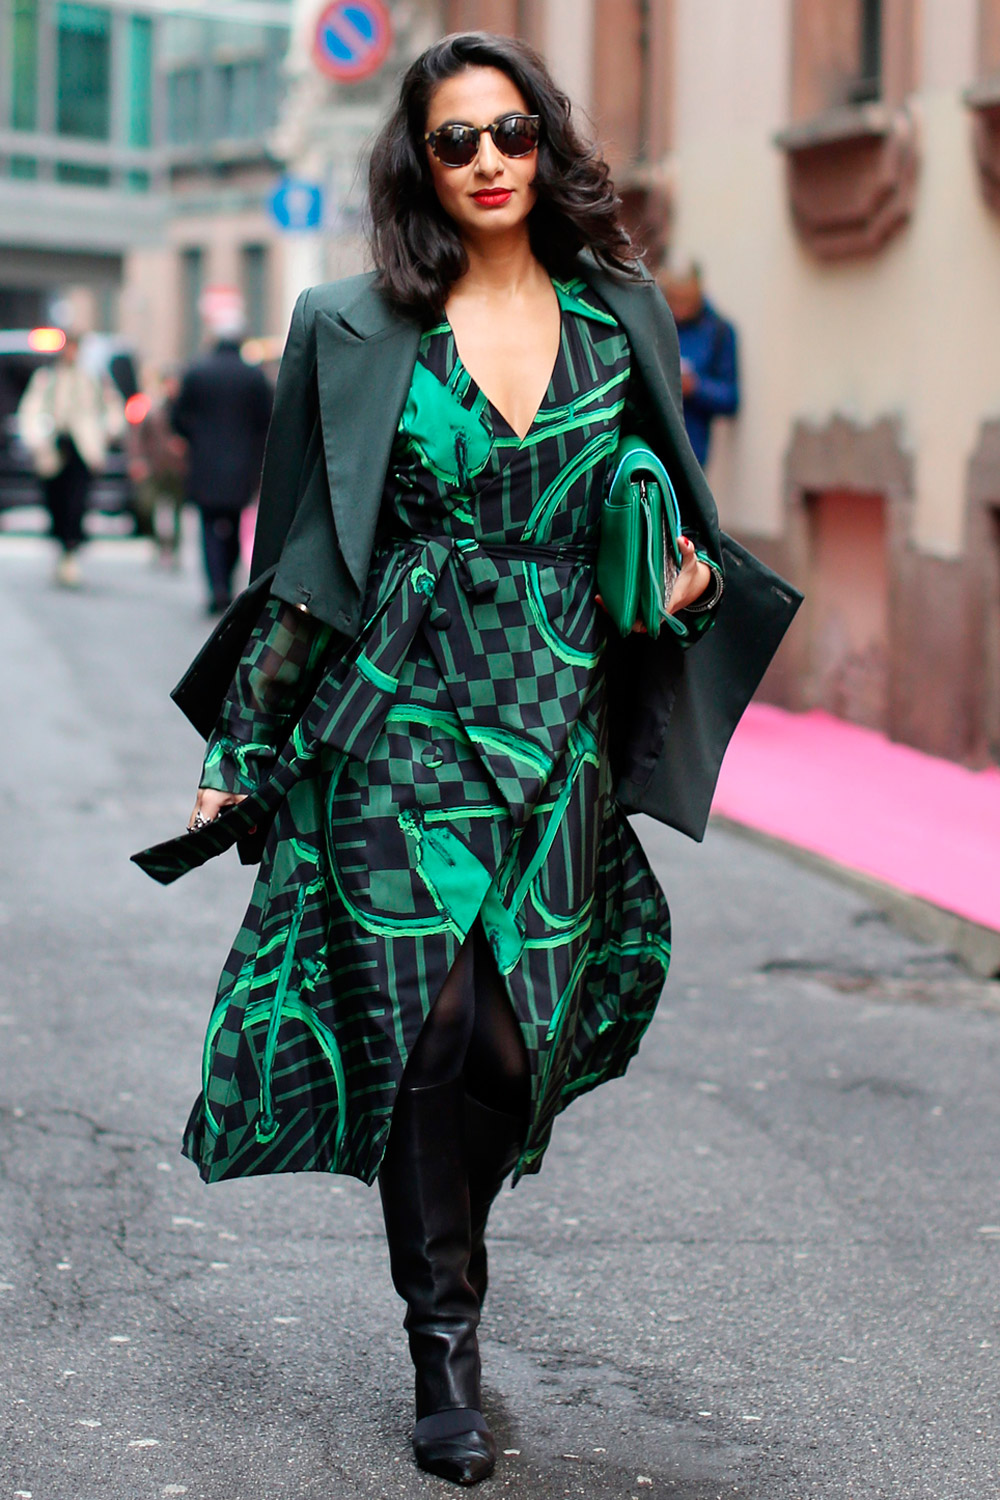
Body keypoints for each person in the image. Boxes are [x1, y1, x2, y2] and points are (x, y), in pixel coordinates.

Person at [134, 31, 797, 1488]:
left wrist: (680, 585)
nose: (488, 160)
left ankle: (451, 1239)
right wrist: (245, 739)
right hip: (398, 720)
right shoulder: (351, 323)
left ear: (542, 146)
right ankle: (445, 1346)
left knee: (511, 1039)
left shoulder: (621, 317)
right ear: (418, 164)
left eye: (510, 133)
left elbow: (679, 522)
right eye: (456, 140)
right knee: (427, 1036)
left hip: (555, 721)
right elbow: (301, 558)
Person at [171, 326, 272, 613]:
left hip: (204, 465)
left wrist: (194, 438)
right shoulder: (253, 377)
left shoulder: (197, 372)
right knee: (235, 525)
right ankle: (227, 582)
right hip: (242, 467)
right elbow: (267, 420)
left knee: (208, 529)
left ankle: (216, 587)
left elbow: (177, 416)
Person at [17, 332, 124, 587]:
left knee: (77, 502)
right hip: (54, 447)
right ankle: (63, 544)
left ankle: (71, 548)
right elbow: (32, 409)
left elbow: (111, 408)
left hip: (83, 449)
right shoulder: (47, 378)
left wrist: (107, 433)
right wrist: (35, 437)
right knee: (56, 501)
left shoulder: (93, 378)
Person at [658, 261, 740, 468]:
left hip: (692, 449)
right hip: (653, 441)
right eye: (674, 300)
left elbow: (730, 398)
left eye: (686, 300)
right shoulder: (656, 325)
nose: (680, 309)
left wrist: (695, 387)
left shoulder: (718, 331)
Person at [128, 370, 187, 567]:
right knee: (147, 505)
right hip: (155, 466)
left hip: (178, 468)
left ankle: (173, 548)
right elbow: (138, 436)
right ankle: (157, 543)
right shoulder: (154, 409)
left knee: (177, 511)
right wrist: (138, 460)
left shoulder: (185, 410)